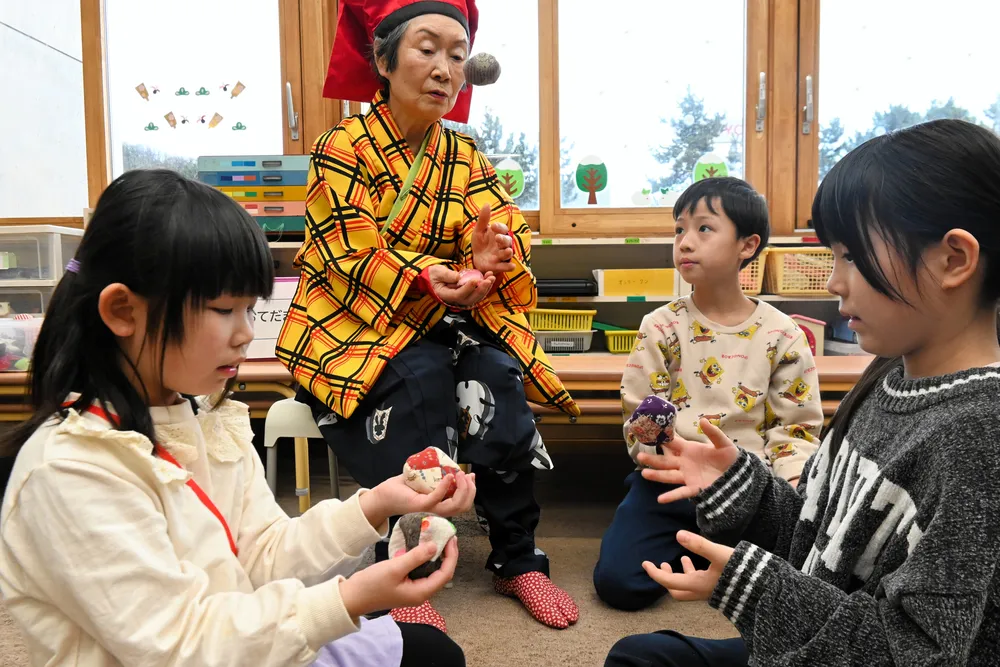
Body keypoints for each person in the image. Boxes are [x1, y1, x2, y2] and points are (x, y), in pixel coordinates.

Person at [0, 169, 472, 667]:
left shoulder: (203, 416)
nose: (246, 333)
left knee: (433, 654)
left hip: (237, 637)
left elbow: (262, 551)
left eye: (250, 309)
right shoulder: (72, 470)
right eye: (225, 308)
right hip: (202, 652)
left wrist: (377, 503)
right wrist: (350, 599)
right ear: (123, 311)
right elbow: (177, 644)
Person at [606, 119, 1000, 666]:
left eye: (851, 256)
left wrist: (756, 585)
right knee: (640, 656)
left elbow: (915, 651)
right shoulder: (886, 374)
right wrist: (741, 483)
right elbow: (822, 534)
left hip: (843, 649)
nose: (834, 281)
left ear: (953, 260)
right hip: (818, 631)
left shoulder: (977, 437)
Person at [277, 0, 580, 631]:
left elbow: (505, 230)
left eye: (458, 54)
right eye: (427, 49)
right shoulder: (343, 145)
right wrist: (423, 275)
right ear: (383, 60)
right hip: (353, 325)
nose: (445, 68)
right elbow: (343, 245)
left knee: (496, 376)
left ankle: (517, 557)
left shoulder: (463, 154)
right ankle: (410, 572)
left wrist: (490, 257)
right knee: (418, 383)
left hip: (443, 322)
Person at [594, 177, 823, 611]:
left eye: (703, 228)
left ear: (748, 245)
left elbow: (795, 429)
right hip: (672, 481)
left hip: (749, 489)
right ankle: (703, 548)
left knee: (806, 583)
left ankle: (715, 550)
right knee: (620, 586)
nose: (685, 242)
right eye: (679, 229)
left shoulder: (783, 334)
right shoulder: (660, 326)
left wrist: (791, 487)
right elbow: (638, 417)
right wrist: (658, 452)